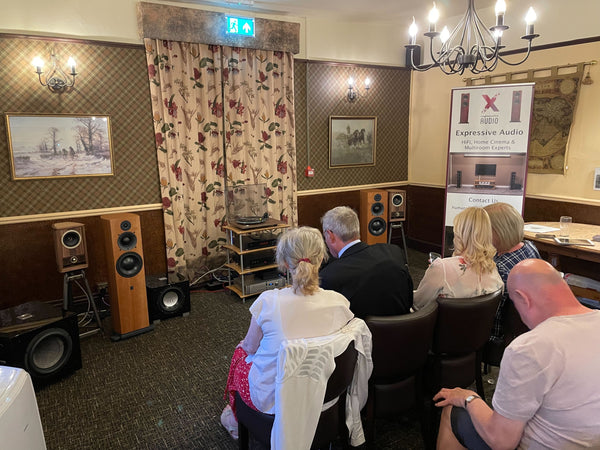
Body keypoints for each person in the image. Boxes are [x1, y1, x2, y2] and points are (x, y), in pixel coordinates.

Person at [433, 259, 600, 449]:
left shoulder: (530, 348)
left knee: (452, 408)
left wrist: (467, 397)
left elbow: (501, 441)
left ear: (523, 299)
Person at [220, 226, 355, 440]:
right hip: (324, 391)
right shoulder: (340, 303)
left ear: (284, 264)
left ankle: (235, 418)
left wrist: (245, 346)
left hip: (272, 400)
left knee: (240, 353)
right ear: (321, 259)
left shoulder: (268, 301)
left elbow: (250, 347)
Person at [319, 206, 413, 319]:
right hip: (407, 331)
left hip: (363, 335)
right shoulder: (394, 252)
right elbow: (409, 299)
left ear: (330, 235)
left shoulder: (329, 276)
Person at [413, 207, 503, 310]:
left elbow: (418, 303)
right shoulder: (494, 270)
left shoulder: (442, 268)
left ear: (459, 233)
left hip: (442, 325)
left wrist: (435, 271)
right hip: (481, 325)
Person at [483, 202, 541, 343]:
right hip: (529, 325)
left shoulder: (499, 268)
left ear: (498, 232)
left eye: (483, 230)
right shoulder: (529, 247)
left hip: (497, 335)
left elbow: (489, 312)